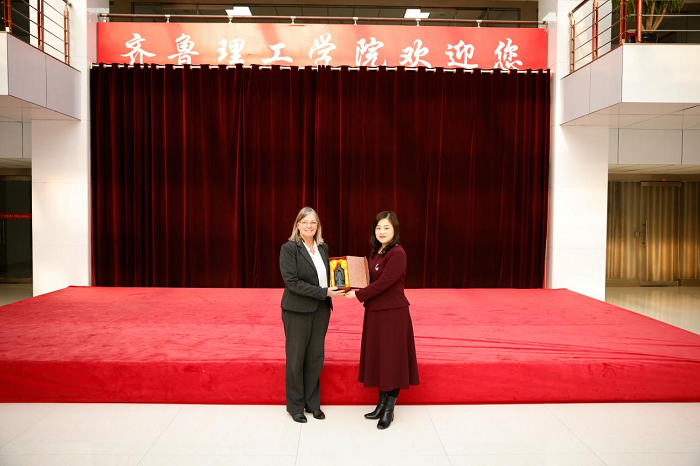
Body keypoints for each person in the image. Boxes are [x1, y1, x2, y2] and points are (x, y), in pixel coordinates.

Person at [345, 211, 419, 429]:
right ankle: (380, 405)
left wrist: (357, 294)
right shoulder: (375, 253)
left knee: (392, 360)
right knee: (381, 358)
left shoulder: (398, 253)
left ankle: (389, 410)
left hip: (393, 314)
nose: (382, 231)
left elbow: (385, 282)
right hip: (375, 312)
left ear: (395, 230)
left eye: (386, 227)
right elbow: (368, 279)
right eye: (378, 227)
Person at [279, 207, 345, 423]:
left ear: (318, 226)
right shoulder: (289, 248)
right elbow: (292, 282)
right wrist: (323, 292)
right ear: (297, 225)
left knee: (316, 357)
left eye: (313, 222)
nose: (309, 226)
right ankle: (296, 406)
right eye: (305, 222)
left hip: (321, 309)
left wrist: (342, 286)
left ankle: (313, 404)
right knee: (296, 358)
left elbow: (329, 276)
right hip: (297, 310)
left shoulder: (323, 248)